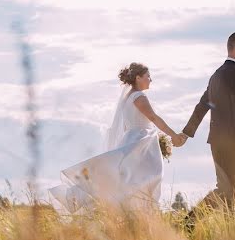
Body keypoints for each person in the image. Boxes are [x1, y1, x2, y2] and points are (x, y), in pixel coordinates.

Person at [50, 62, 184, 212]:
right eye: (148, 76)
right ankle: (137, 211)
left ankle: (131, 211)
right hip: (140, 141)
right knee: (144, 178)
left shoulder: (128, 97)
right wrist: (174, 135)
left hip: (132, 138)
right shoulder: (139, 97)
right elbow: (153, 117)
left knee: (125, 179)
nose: (150, 80)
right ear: (138, 78)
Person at [181, 31, 235, 211]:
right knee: (227, 190)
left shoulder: (216, 75)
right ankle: (189, 224)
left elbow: (203, 105)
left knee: (229, 191)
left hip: (216, 142)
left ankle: (233, 233)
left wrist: (186, 132)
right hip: (233, 143)